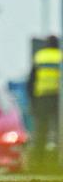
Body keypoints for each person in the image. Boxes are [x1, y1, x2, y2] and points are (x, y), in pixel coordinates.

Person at [27, 35, 61, 170]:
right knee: (60, 131)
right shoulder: (60, 56)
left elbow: (31, 79)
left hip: (42, 98)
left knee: (41, 131)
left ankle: (38, 162)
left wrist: (32, 100)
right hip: (58, 99)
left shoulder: (39, 56)